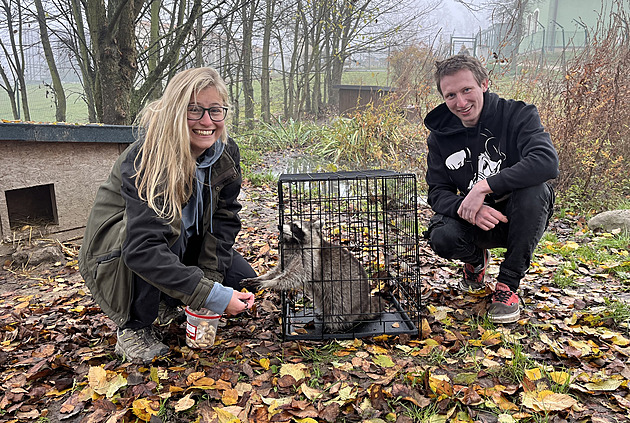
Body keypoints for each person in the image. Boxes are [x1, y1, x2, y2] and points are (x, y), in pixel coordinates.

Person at [79, 67, 256, 363]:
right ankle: (134, 327)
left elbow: (225, 220)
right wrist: (214, 296)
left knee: (242, 279)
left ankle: (169, 298)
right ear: (175, 111)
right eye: (194, 110)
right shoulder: (147, 159)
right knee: (164, 243)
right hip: (116, 254)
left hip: (181, 242)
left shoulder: (225, 152)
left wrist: (210, 284)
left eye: (215, 110)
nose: (206, 121)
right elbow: (143, 250)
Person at [423, 55, 558, 324]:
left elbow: (546, 162)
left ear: (484, 84)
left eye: (466, 90)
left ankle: (507, 286)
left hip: (519, 218)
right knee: (441, 235)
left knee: (536, 191)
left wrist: (483, 187)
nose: (460, 103)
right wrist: (468, 209)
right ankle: (476, 261)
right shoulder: (439, 137)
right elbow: (437, 192)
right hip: (477, 219)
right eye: (451, 95)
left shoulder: (519, 114)